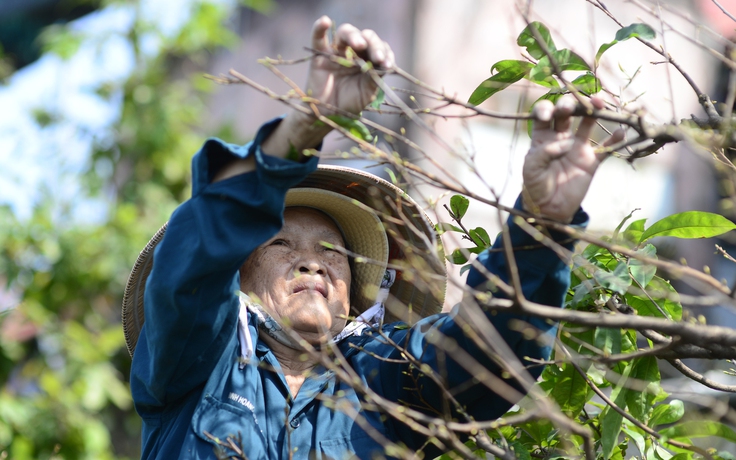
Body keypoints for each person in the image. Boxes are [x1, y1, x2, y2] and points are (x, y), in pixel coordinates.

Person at [122, 16, 623, 460]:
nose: (312, 265)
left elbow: (490, 348)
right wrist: (299, 131)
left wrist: (539, 225)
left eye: (332, 253)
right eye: (280, 245)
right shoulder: (194, 364)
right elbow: (192, 262)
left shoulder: (386, 380)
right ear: (240, 277)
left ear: (356, 291)